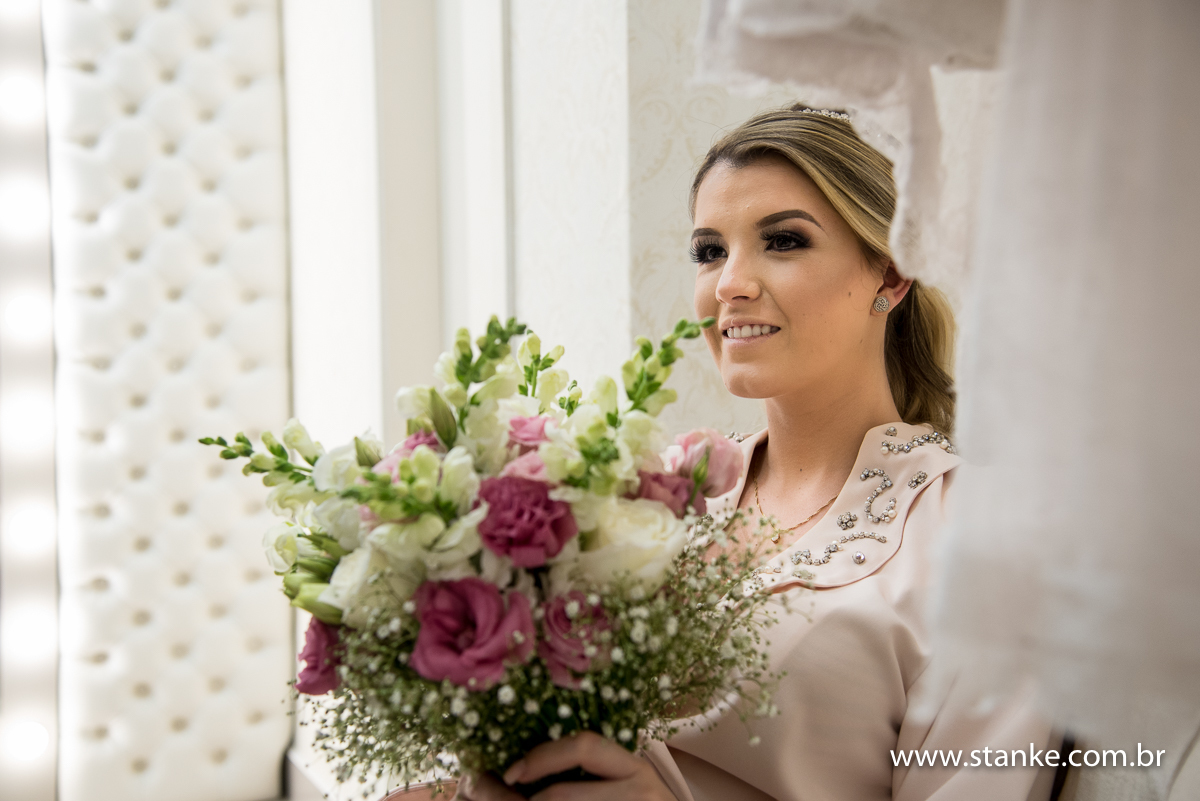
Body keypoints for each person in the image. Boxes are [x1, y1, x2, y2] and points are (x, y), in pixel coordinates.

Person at [455, 105, 1058, 801]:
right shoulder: (656, 495)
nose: (730, 284)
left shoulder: (980, 537)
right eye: (710, 251)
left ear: (892, 274)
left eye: (783, 241)